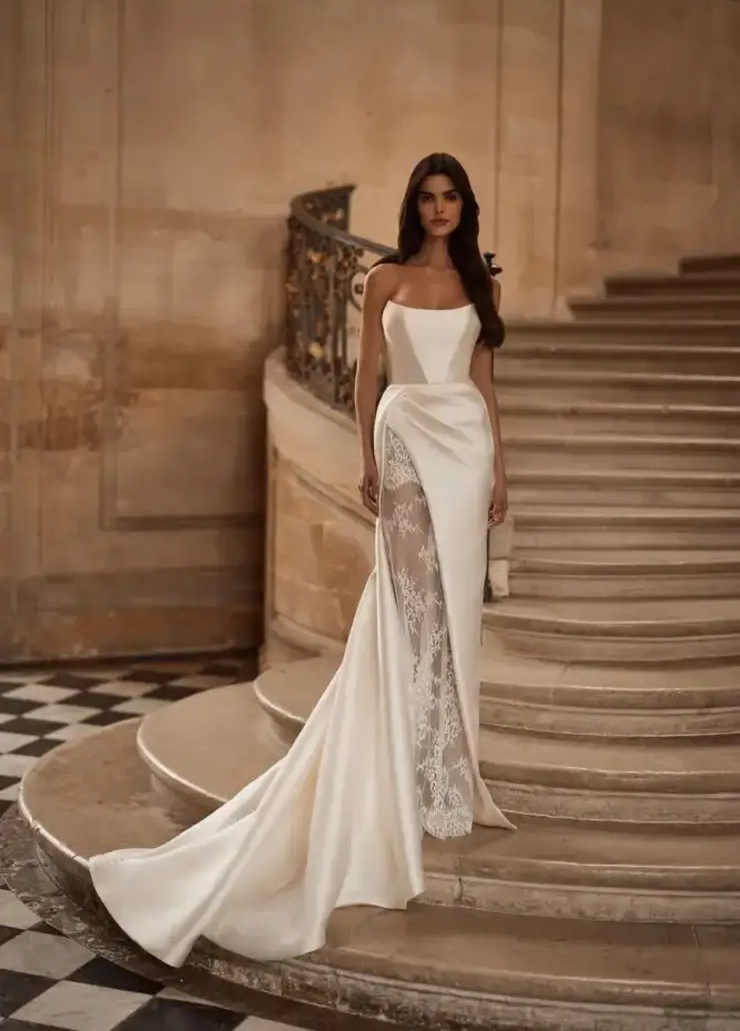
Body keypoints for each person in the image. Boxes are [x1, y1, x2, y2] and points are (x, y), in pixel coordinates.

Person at [89, 152, 515, 969]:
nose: (438, 208)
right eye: (426, 197)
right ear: (413, 206)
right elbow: (364, 379)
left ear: (465, 205)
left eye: (449, 196)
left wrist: (503, 470)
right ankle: (396, 776)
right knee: (405, 607)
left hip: (465, 446)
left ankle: (445, 782)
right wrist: (365, 452)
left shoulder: (482, 284)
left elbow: (487, 381)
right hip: (403, 439)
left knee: (456, 614)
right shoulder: (383, 279)